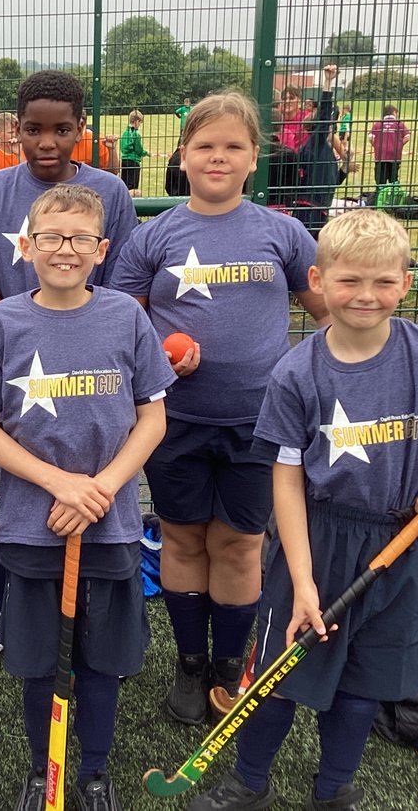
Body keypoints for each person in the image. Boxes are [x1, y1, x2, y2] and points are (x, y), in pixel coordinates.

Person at [189, 208, 418, 811]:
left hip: (402, 542)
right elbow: (287, 483)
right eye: (349, 280)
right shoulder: (296, 372)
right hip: (319, 540)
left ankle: (334, 792)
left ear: (406, 282)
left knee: (364, 680)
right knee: (278, 675)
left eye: (383, 282)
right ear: (319, 279)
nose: (366, 296)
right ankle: (248, 782)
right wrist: (301, 580)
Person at [109, 90, 328, 726]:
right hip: (174, 421)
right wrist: (159, 357)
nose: (218, 157)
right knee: (181, 537)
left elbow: (325, 320)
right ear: (182, 156)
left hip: (260, 424)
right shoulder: (156, 237)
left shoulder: (282, 233)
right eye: (205, 146)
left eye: (233, 146)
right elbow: (124, 323)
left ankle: (229, 665)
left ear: (254, 157)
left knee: (237, 545)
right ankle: (188, 661)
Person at [0, 183, 174, 811]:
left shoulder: (128, 318)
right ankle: (39, 768)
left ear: (102, 249)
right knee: (37, 660)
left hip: (109, 525)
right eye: (51, 237)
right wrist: (60, 484)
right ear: (27, 246)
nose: (65, 250)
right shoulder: (3, 321)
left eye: (80, 239)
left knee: (100, 661)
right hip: (31, 526)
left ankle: (95, 771)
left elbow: (152, 419)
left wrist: (99, 490)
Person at [0, 69, 140, 667]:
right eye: (33, 130)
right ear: (16, 131)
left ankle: (91, 619)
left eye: (62, 130)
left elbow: (121, 283)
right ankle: (10, 609)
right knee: (18, 497)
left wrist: (74, 344)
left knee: (95, 490)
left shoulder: (111, 192)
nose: (47, 142)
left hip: (88, 371)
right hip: (17, 372)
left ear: (81, 131)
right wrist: (14, 344)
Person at [294, 65, 342, 235]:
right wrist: (328, 83)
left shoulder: (325, 150)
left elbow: (332, 181)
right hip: (309, 209)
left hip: (320, 208)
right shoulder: (316, 144)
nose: (332, 127)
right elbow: (323, 117)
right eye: (330, 124)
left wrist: (344, 168)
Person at [367, 104, 410, 187]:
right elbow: (407, 137)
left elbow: (370, 138)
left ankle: (380, 195)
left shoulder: (378, 124)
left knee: (380, 180)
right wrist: (399, 145)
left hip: (381, 156)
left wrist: (376, 146)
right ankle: (392, 196)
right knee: (393, 179)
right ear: (394, 112)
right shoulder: (399, 124)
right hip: (394, 155)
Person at [119, 109, 149, 196]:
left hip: (124, 160)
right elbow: (138, 150)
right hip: (133, 161)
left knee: (125, 184)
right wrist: (146, 153)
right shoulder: (136, 134)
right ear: (137, 121)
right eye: (140, 123)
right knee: (133, 187)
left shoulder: (125, 133)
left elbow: (122, 148)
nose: (139, 125)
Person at [279, 85, 308, 152]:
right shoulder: (277, 119)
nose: (287, 101)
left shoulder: (307, 117)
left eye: (291, 98)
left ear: (299, 100)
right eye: (284, 99)